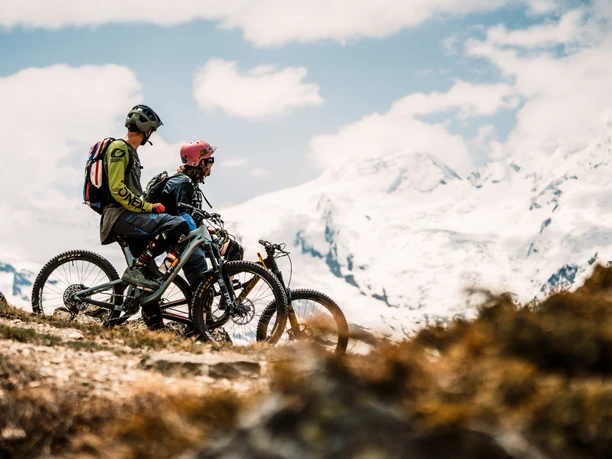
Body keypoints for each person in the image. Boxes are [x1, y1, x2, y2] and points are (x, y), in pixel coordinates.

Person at [99, 104, 190, 330]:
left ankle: (157, 329)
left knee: (151, 284)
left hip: (128, 216)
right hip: (120, 216)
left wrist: (147, 207)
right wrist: (148, 206)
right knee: (178, 224)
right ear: (147, 130)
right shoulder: (119, 149)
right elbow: (119, 190)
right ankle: (136, 268)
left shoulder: (130, 152)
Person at [158, 140, 244, 290]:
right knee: (203, 290)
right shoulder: (182, 184)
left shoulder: (190, 182)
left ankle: (228, 295)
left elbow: (191, 215)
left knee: (234, 250)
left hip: (194, 237)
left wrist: (205, 229)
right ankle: (200, 309)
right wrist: (202, 235)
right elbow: (183, 218)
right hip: (182, 243)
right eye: (210, 160)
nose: (212, 164)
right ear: (199, 162)